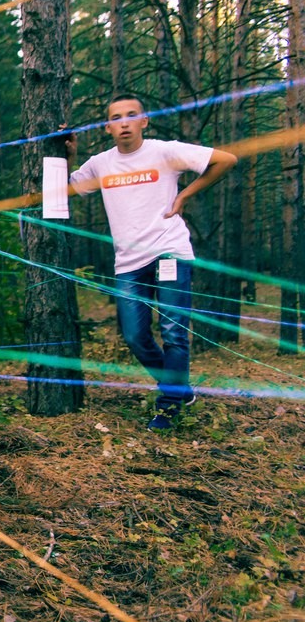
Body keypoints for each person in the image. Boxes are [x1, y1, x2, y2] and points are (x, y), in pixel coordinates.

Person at [67, 94, 236, 431]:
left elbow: (226, 159)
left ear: (144, 121)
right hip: (128, 262)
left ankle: (169, 406)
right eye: (117, 117)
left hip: (169, 250)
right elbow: (68, 189)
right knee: (134, 336)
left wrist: (185, 195)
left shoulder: (164, 151)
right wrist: (67, 155)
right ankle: (180, 390)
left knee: (174, 332)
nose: (124, 122)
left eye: (132, 115)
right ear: (108, 127)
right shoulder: (100, 163)